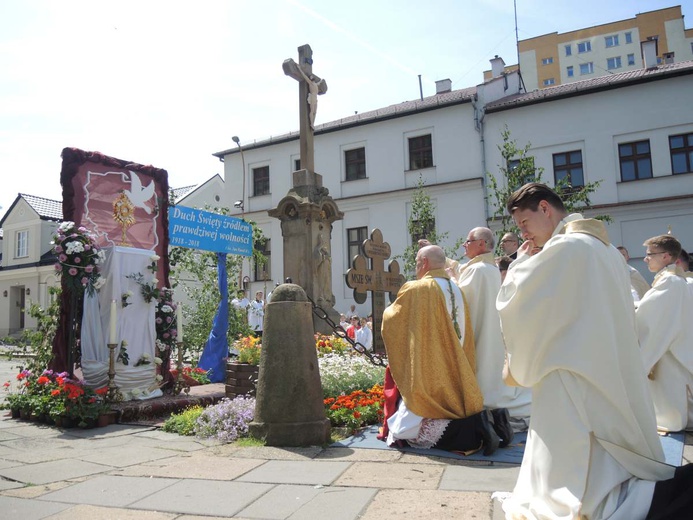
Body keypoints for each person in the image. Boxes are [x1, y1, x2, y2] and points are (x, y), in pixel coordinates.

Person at [496, 182, 688, 520]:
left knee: (574, 452)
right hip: (604, 365)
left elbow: (519, 298)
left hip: (571, 369)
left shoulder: (567, 248)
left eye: (524, 223)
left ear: (544, 209)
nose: (523, 234)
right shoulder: (606, 250)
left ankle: (580, 501)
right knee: (600, 446)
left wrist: (518, 265)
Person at [378, 245, 512, 455]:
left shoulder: (417, 288)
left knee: (406, 431)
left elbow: (392, 318)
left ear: (424, 263)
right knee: (454, 407)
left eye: (416, 263)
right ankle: (494, 419)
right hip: (457, 363)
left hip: (431, 366)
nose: (416, 268)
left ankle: (478, 428)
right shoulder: (455, 288)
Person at [454, 227, 531, 425]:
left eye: (468, 241)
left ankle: (489, 405)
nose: (464, 244)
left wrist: (451, 282)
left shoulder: (477, 270)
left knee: (485, 375)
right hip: (494, 334)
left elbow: (460, 302)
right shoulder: (491, 270)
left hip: (481, 334)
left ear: (481, 244)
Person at [636, 235, 693, 433]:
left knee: (672, 406)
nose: (646, 259)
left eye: (650, 254)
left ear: (666, 256)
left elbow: (648, 316)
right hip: (674, 346)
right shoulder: (677, 280)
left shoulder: (669, 282)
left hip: (670, 351)